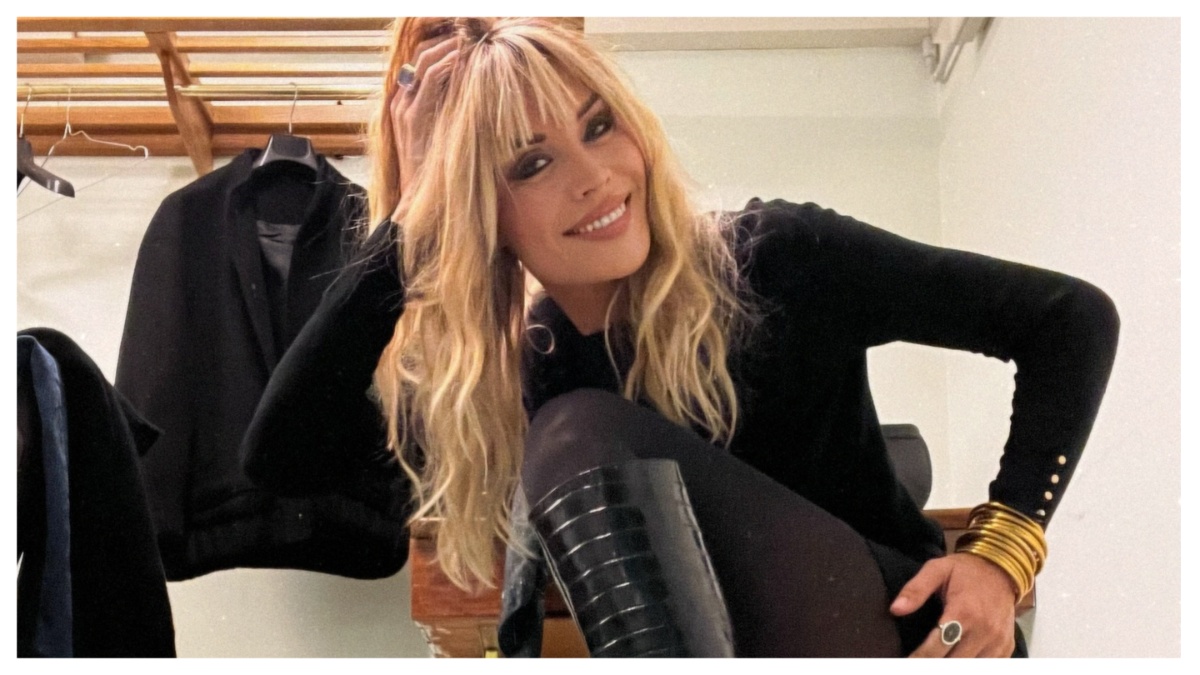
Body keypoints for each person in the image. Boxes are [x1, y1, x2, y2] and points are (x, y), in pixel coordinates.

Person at [242, 17, 1119, 658]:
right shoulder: (534, 368)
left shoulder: (769, 257)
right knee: (567, 423)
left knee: (577, 431)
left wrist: (1002, 556)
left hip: (904, 635)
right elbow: (283, 459)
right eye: (532, 163)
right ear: (480, 214)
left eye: (599, 125)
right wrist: (409, 223)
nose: (596, 177)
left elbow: (1068, 319)